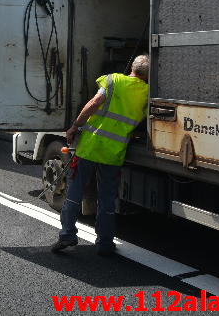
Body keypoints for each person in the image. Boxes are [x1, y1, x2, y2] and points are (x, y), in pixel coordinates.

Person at [51, 55, 149, 256]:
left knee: (74, 194)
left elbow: (94, 103)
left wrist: (75, 126)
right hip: (114, 153)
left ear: (132, 67)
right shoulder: (147, 92)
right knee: (106, 200)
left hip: (90, 147)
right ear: (148, 75)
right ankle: (104, 243)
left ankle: (67, 234)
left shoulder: (113, 80)